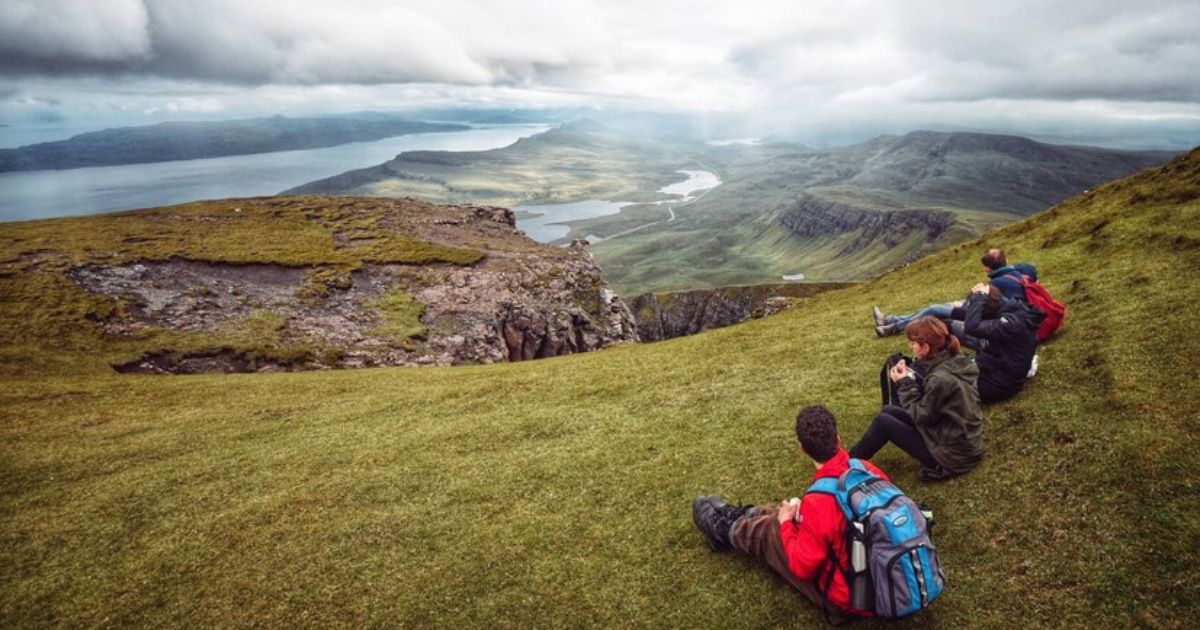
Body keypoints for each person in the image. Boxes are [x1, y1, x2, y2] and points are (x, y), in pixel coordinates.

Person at [692, 405, 889, 619]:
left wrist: (786, 523)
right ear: (838, 439)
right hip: (884, 577)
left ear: (802, 448)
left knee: (773, 529)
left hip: (850, 598)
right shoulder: (867, 468)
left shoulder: (819, 501)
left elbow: (802, 567)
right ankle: (745, 514)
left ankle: (724, 530)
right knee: (788, 514)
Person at [849, 316, 983, 481]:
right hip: (964, 441)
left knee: (884, 423)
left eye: (913, 344)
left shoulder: (940, 379)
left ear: (925, 347)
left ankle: (844, 465)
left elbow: (922, 415)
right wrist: (912, 377)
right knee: (888, 411)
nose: (910, 347)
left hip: (954, 457)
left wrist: (904, 383)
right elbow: (936, 399)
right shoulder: (958, 360)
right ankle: (850, 459)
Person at [871, 247, 1038, 337]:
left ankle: (893, 327)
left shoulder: (999, 281)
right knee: (939, 307)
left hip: (983, 316)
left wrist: (966, 305)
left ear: (987, 268)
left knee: (934, 309)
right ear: (1006, 261)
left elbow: (993, 307)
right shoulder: (1014, 273)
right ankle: (889, 320)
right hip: (992, 312)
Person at [951, 283, 1044, 403]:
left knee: (945, 385)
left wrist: (979, 297)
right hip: (999, 372)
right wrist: (959, 309)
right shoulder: (1011, 310)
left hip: (996, 387)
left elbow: (972, 327)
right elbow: (984, 313)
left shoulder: (1009, 324)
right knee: (952, 370)